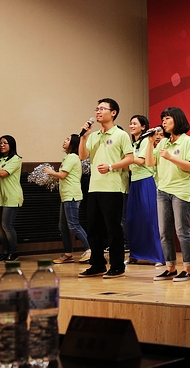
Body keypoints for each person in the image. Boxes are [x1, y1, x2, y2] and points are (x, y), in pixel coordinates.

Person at [78, 99, 134, 278]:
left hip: (113, 188)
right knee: (93, 229)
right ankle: (97, 264)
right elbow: (82, 156)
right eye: (97, 109)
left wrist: (111, 166)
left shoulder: (120, 134)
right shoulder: (93, 136)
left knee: (113, 229)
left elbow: (130, 158)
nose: (98, 112)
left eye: (102, 109)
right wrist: (84, 136)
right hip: (94, 187)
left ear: (113, 112)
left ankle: (117, 266)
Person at [146, 107, 190, 282]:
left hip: (181, 192)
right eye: (163, 119)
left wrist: (170, 157)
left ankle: (188, 269)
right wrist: (150, 142)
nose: (164, 122)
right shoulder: (163, 143)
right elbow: (150, 162)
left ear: (177, 119)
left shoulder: (187, 141)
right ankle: (170, 268)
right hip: (163, 191)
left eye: (167, 118)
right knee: (164, 232)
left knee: (182, 231)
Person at [125, 115, 165, 266]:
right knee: (133, 219)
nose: (131, 126)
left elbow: (141, 161)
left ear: (143, 127)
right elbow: (129, 166)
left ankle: (157, 256)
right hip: (134, 182)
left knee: (149, 219)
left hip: (146, 182)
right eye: (130, 123)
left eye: (135, 123)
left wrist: (124, 159)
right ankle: (134, 254)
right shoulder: (133, 144)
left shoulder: (146, 141)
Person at [45, 134, 91, 265]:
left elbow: (62, 175)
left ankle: (90, 249)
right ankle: (68, 253)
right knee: (63, 226)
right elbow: (61, 176)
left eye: (68, 139)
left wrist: (49, 171)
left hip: (72, 196)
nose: (65, 141)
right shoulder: (68, 158)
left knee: (74, 225)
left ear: (74, 144)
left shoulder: (72, 157)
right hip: (65, 196)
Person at [0, 135, 22, 262]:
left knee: (6, 225)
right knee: (0, 226)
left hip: (12, 196)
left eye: (5, 143)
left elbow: (3, 173)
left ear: (11, 145)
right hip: (0, 196)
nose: (1, 145)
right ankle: (5, 251)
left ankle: (13, 252)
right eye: (0, 143)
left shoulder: (16, 159)